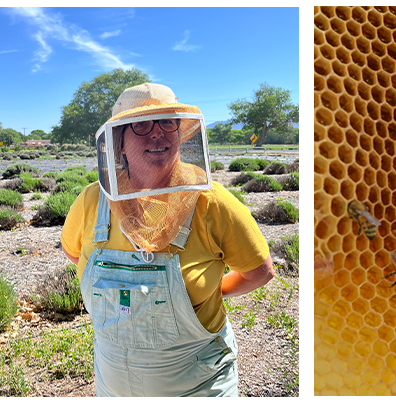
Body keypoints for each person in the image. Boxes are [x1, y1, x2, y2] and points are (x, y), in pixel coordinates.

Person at [61, 83, 275, 397]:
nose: (158, 132)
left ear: (179, 132)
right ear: (118, 142)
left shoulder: (211, 202)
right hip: (112, 386)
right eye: (142, 124)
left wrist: (207, 295)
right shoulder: (93, 200)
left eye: (167, 122)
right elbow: (75, 254)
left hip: (199, 386)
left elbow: (260, 271)